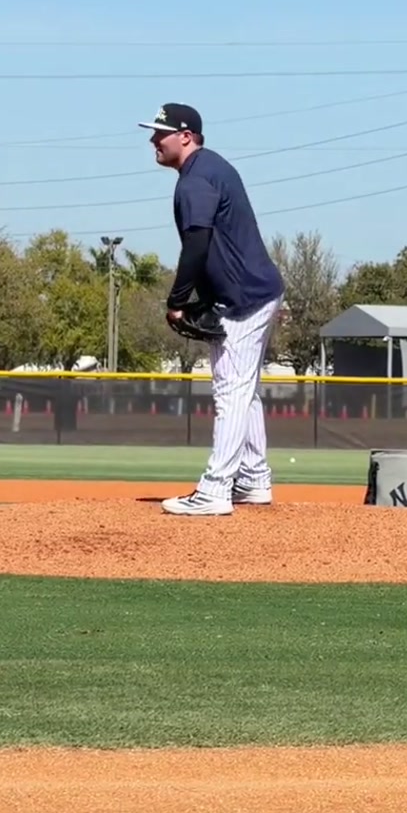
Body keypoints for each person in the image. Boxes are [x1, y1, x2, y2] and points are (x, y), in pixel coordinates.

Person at [138, 102, 284, 515]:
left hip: (243, 299)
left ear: (186, 136)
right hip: (253, 291)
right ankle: (254, 479)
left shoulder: (196, 179)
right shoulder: (210, 169)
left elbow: (198, 244)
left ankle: (216, 489)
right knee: (244, 389)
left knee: (231, 391)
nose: (153, 139)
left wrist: (177, 301)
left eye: (160, 132)